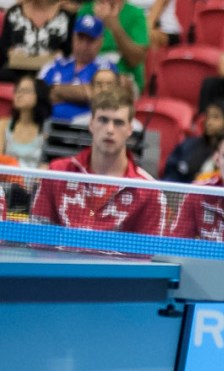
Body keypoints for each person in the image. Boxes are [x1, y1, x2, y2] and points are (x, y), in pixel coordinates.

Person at [32, 85, 165, 233]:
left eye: (118, 123)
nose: (109, 130)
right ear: (91, 124)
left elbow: (148, 254)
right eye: (103, 120)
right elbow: (38, 236)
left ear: (130, 129)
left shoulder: (149, 191)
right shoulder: (57, 173)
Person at [38, 14, 118, 121]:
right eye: (80, 39)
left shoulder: (107, 68)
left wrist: (56, 90)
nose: (84, 46)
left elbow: (104, 98)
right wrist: (84, 93)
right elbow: (38, 94)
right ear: (73, 38)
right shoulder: (54, 65)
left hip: (88, 130)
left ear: (100, 42)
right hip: (50, 125)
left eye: (90, 40)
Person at [76, 0, 149, 93]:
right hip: (87, 75)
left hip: (123, 77)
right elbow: (77, 53)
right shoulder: (86, 10)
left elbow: (136, 59)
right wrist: (95, 24)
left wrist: (114, 25)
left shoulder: (135, 14)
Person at [162, 98, 224, 182]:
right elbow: (171, 174)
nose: (209, 122)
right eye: (208, 117)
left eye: (216, 117)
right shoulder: (188, 145)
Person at [0, 0, 73, 84]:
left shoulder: (66, 16)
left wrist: (60, 55)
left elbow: (70, 50)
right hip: (17, 70)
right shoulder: (14, 12)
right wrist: (10, 52)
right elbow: (4, 46)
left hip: (52, 71)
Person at [0, 75, 50, 168]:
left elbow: (47, 165)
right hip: (8, 180)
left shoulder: (48, 128)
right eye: (17, 91)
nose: (19, 95)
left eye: (26, 91)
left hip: (35, 180)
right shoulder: (3, 125)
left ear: (39, 94)